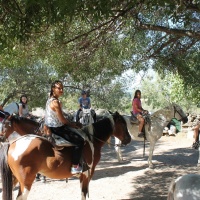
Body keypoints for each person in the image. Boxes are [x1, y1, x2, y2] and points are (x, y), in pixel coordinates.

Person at [44, 80, 84, 174]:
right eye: (59, 88)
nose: (61, 90)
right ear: (53, 89)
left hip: (52, 126)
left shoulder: (51, 99)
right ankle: (75, 166)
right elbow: (63, 121)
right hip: (57, 128)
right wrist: (74, 124)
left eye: (62, 88)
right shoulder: (55, 102)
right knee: (80, 141)